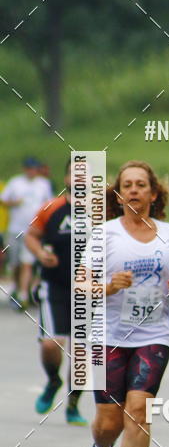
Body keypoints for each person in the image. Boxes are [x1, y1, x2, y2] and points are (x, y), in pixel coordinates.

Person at [79, 161, 169, 447]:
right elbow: (82, 284)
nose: (135, 190)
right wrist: (108, 286)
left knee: (138, 412)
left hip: (153, 335)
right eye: (128, 185)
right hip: (107, 336)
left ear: (154, 194)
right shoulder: (104, 235)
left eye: (142, 185)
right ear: (119, 194)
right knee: (109, 422)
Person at [24, 160, 87, 425]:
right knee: (51, 343)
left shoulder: (103, 211)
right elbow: (31, 235)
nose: (80, 179)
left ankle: (73, 404)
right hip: (55, 285)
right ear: (66, 177)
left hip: (91, 290)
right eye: (75, 174)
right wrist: (39, 253)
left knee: (83, 355)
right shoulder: (52, 208)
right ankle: (53, 380)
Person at [1, 157, 53, 309]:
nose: (32, 171)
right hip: (15, 229)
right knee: (16, 263)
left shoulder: (43, 184)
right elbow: (3, 200)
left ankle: (24, 294)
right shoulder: (15, 182)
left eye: (34, 168)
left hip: (33, 231)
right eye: (29, 168)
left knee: (27, 262)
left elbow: (48, 203)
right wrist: (14, 203)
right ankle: (18, 288)